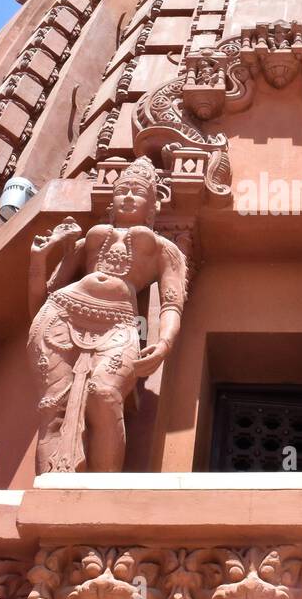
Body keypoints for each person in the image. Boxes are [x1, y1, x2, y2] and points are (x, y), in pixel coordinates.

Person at [27, 158, 187, 473]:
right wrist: (38, 260)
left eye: (137, 192)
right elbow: (44, 298)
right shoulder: (90, 238)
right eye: (122, 190)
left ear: (152, 204)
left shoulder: (163, 248)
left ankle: (98, 492)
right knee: (51, 407)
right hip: (62, 313)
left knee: (103, 392)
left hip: (119, 322)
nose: (127, 197)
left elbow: (172, 302)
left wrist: (165, 341)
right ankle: (51, 489)